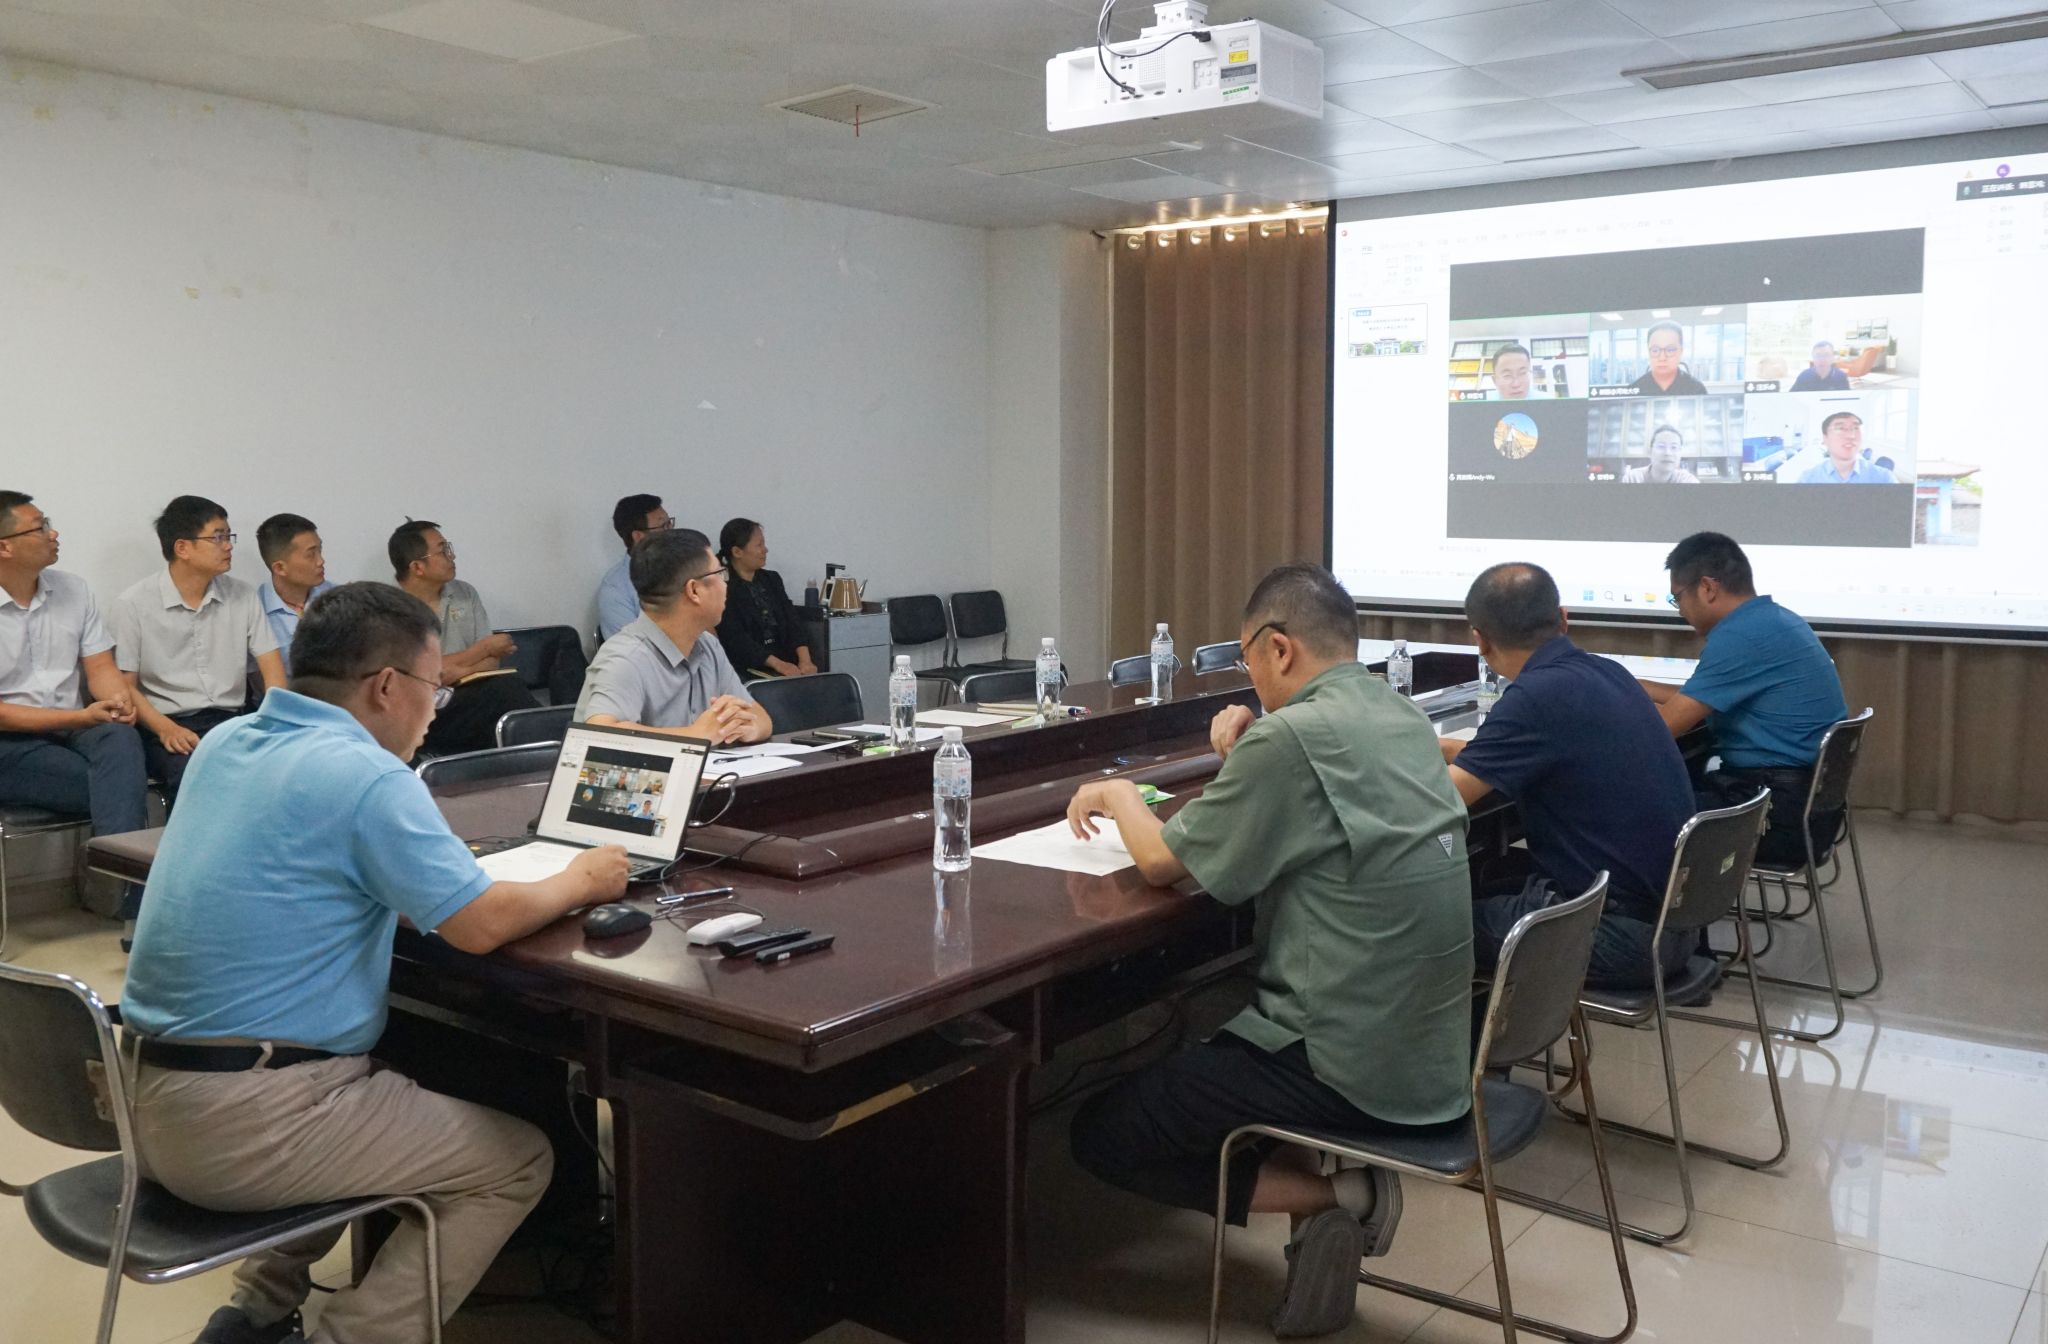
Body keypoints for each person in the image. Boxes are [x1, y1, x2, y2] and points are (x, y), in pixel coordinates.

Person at [121, 582, 629, 1344]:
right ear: (388, 685)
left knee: (377, 1079)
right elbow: (480, 925)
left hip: (149, 1100)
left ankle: (255, 1315)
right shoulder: (366, 776)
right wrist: (583, 880)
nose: (436, 709)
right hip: (251, 1120)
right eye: (435, 686)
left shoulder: (228, 742)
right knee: (518, 1162)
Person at [1062, 563, 1472, 1338]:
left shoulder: (1291, 737)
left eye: (1248, 658)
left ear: (1278, 649)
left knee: (1103, 1133)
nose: (1249, 678)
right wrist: (1251, 754)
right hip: (1436, 1049)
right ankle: (1319, 1202)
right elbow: (1325, 809)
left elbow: (1161, 862)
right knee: (1223, 1018)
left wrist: (1117, 792)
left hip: (1348, 1060)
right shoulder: (1401, 716)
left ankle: (1341, 1196)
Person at [1441, 563, 1696, 989]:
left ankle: (1480, 1030)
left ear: (1479, 639)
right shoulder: (1607, 672)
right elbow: (1554, 754)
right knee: (1481, 881)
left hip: (1616, 938)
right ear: (1563, 618)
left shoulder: (1535, 696)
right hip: (1677, 925)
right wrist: (1452, 750)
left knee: (1419, 926)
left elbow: (1440, 801)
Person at [1639, 532, 1849, 867]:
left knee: (1627, 810)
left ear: (1707, 588)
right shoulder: (1774, 619)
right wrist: (1638, 687)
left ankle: (1636, 900)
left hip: (1774, 816)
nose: (1679, 611)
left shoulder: (1740, 637)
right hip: (1808, 810)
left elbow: (1661, 730)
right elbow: (1701, 697)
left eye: (1677, 597)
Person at [0, 491, 149, 912]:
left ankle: (124, 897)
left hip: (73, 725)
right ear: (5, 547)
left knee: (121, 738)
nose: (54, 534)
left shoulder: (74, 589)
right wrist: (81, 717)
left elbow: (100, 668)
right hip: (9, 741)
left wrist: (117, 700)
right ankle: (133, 904)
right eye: (40, 528)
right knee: (120, 786)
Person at [111, 496, 284, 802]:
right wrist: (165, 729)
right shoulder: (133, 604)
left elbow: (272, 671)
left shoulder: (242, 596)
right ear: (182, 548)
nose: (228, 546)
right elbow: (125, 687)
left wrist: (272, 721)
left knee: (283, 768)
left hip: (233, 721)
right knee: (199, 775)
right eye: (218, 537)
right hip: (167, 725)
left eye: (229, 536)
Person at [577, 528, 772, 745]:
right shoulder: (625, 658)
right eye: (719, 574)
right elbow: (600, 736)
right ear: (694, 591)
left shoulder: (708, 645)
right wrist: (696, 735)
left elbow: (760, 718)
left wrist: (746, 728)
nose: (725, 584)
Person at [390, 519, 537, 755]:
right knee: (505, 693)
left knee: (503, 694)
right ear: (417, 567)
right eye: (443, 551)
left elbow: (492, 662)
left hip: (471, 696)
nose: (452, 556)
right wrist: (481, 650)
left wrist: (452, 672)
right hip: (424, 710)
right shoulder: (389, 610)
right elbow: (423, 678)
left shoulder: (464, 593)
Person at [715, 517, 815, 678]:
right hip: (748, 668)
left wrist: (805, 661)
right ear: (737, 552)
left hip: (787, 661)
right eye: (759, 545)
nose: (765, 550)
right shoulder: (722, 586)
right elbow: (735, 638)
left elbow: (793, 621)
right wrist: (779, 665)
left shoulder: (772, 579)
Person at [254, 513, 333, 676]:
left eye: (320, 550)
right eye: (311, 555)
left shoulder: (336, 597)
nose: (321, 561)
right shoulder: (255, 610)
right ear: (280, 568)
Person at [599, 494, 670, 641]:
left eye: (669, 523)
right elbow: (630, 648)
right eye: (663, 526)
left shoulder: (683, 567)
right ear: (638, 536)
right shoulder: (615, 589)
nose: (671, 532)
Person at [1795, 411, 1895, 484]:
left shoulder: (1884, 478)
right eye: (1840, 428)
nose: (1851, 435)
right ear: (1825, 438)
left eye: (1856, 428)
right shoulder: (1807, 479)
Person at [1630, 320, 1708, 396]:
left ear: (1681, 352)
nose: (1662, 358)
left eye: (1670, 350)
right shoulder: (1634, 390)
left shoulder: (1697, 389)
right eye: (1655, 350)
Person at [1620, 423, 1700, 484]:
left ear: (1680, 454)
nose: (1668, 453)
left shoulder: (1687, 480)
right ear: (1650, 451)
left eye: (1674, 447)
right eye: (1661, 446)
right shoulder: (1633, 479)